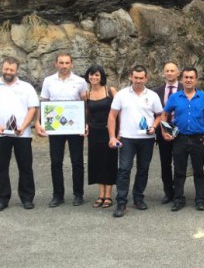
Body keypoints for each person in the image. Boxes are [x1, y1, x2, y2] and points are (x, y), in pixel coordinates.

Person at [108, 65, 163, 218]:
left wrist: (154, 127)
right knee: (124, 169)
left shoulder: (152, 96)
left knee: (143, 169)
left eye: (141, 78)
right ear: (130, 77)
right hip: (127, 138)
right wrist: (112, 136)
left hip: (147, 139)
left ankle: (138, 198)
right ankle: (121, 202)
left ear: (146, 78)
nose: (138, 80)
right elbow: (112, 116)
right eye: (135, 77)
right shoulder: (121, 94)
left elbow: (159, 115)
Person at [36, 52, 88, 207]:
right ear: (56, 64)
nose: (64, 66)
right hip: (56, 127)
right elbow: (44, 102)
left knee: (77, 161)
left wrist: (86, 123)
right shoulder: (48, 81)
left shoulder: (80, 81)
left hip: (75, 126)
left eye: (67, 63)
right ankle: (58, 195)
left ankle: (78, 194)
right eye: (61, 63)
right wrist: (39, 123)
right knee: (56, 161)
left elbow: (85, 105)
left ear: (72, 64)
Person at [161, 67, 204, 211]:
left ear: (196, 80)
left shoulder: (203, 97)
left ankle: (200, 200)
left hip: (198, 139)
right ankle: (178, 199)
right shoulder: (175, 97)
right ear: (182, 79)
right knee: (179, 170)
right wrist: (165, 131)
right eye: (186, 77)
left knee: (198, 171)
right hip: (180, 138)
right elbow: (164, 114)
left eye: (191, 77)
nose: (189, 80)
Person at [0, 56, 38, 211]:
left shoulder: (26, 87)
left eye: (11, 70)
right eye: (6, 69)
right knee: (1, 167)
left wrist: (24, 125)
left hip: (22, 133)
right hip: (1, 134)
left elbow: (32, 108)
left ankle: (27, 198)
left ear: (17, 71)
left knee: (25, 166)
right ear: (2, 68)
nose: (8, 72)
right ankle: (2, 198)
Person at [83, 65, 118, 209]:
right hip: (94, 132)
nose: (94, 78)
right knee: (97, 162)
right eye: (91, 75)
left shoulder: (110, 91)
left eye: (97, 75)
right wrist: (85, 125)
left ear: (101, 76)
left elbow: (118, 112)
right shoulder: (86, 94)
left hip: (109, 132)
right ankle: (101, 194)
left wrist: (117, 134)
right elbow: (86, 113)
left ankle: (108, 195)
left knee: (109, 161)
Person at [154, 61, 180, 204]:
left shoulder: (184, 88)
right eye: (167, 71)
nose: (169, 73)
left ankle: (178, 191)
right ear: (164, 73)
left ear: (178, 73)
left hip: (180, 130)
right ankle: (168, 191)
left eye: (172, 70)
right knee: (165, 163)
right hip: (163, 130)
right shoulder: (156, 91)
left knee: (179, 162)